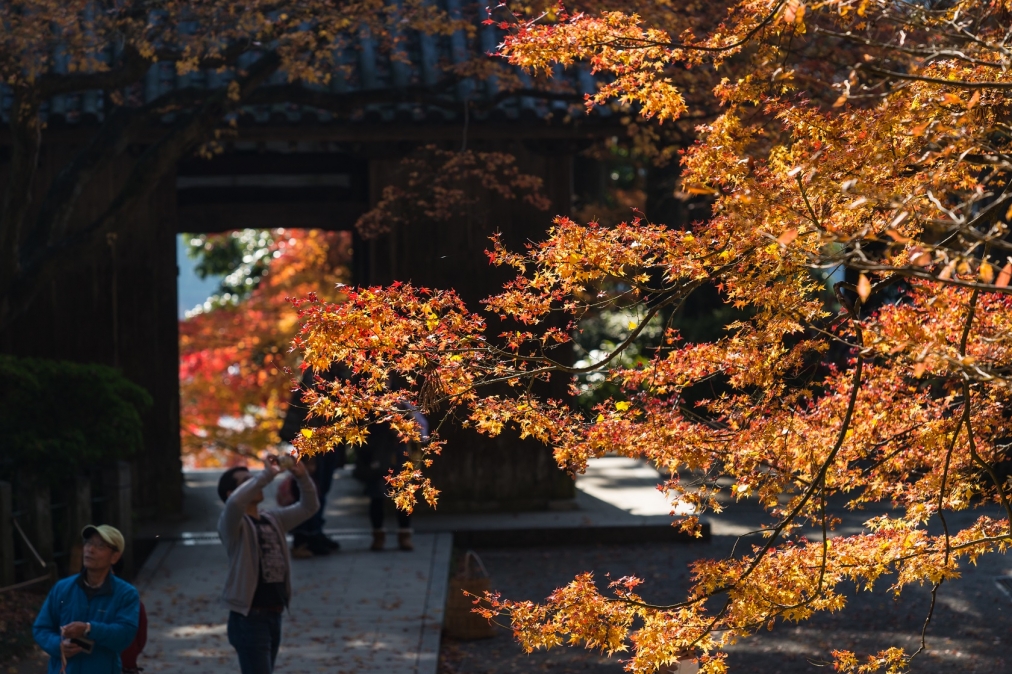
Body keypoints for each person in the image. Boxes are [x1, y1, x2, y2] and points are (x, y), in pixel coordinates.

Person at [217, 455, 319, 674]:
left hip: (274, 612)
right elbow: (235, 503)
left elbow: (310, 507)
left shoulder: (273, 518)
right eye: (246, 481)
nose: (255, 481)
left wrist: (302, 477)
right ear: (231, 492)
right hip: (249, 617)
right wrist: (267, 474)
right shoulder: (232, 524)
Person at [33, 525, 140, 674]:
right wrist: (58, 645)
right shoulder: (62, 588)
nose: (90, 550)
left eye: (100, 546)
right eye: (88, 543)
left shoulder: (126, 594)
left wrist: (89, 629)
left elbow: (125, 635)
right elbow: (41, 628)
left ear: (114, 556)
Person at [278, 368, 346, 557]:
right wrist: (309, 455)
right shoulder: (320, 374)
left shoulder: (333, 374)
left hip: (327, 442)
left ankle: (314, 533)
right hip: (317, 445)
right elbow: (310, 418)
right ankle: (304, 538)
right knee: (312, 490)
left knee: (319, 489)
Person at [357, 403, 428, 552]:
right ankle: (378, 535)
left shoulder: (401, 400)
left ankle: (404, 533)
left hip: (399, 454)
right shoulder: (367, 401)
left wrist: (407, 422)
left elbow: (422, 430)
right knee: (376, 495)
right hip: (376, 453)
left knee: (403, 496)